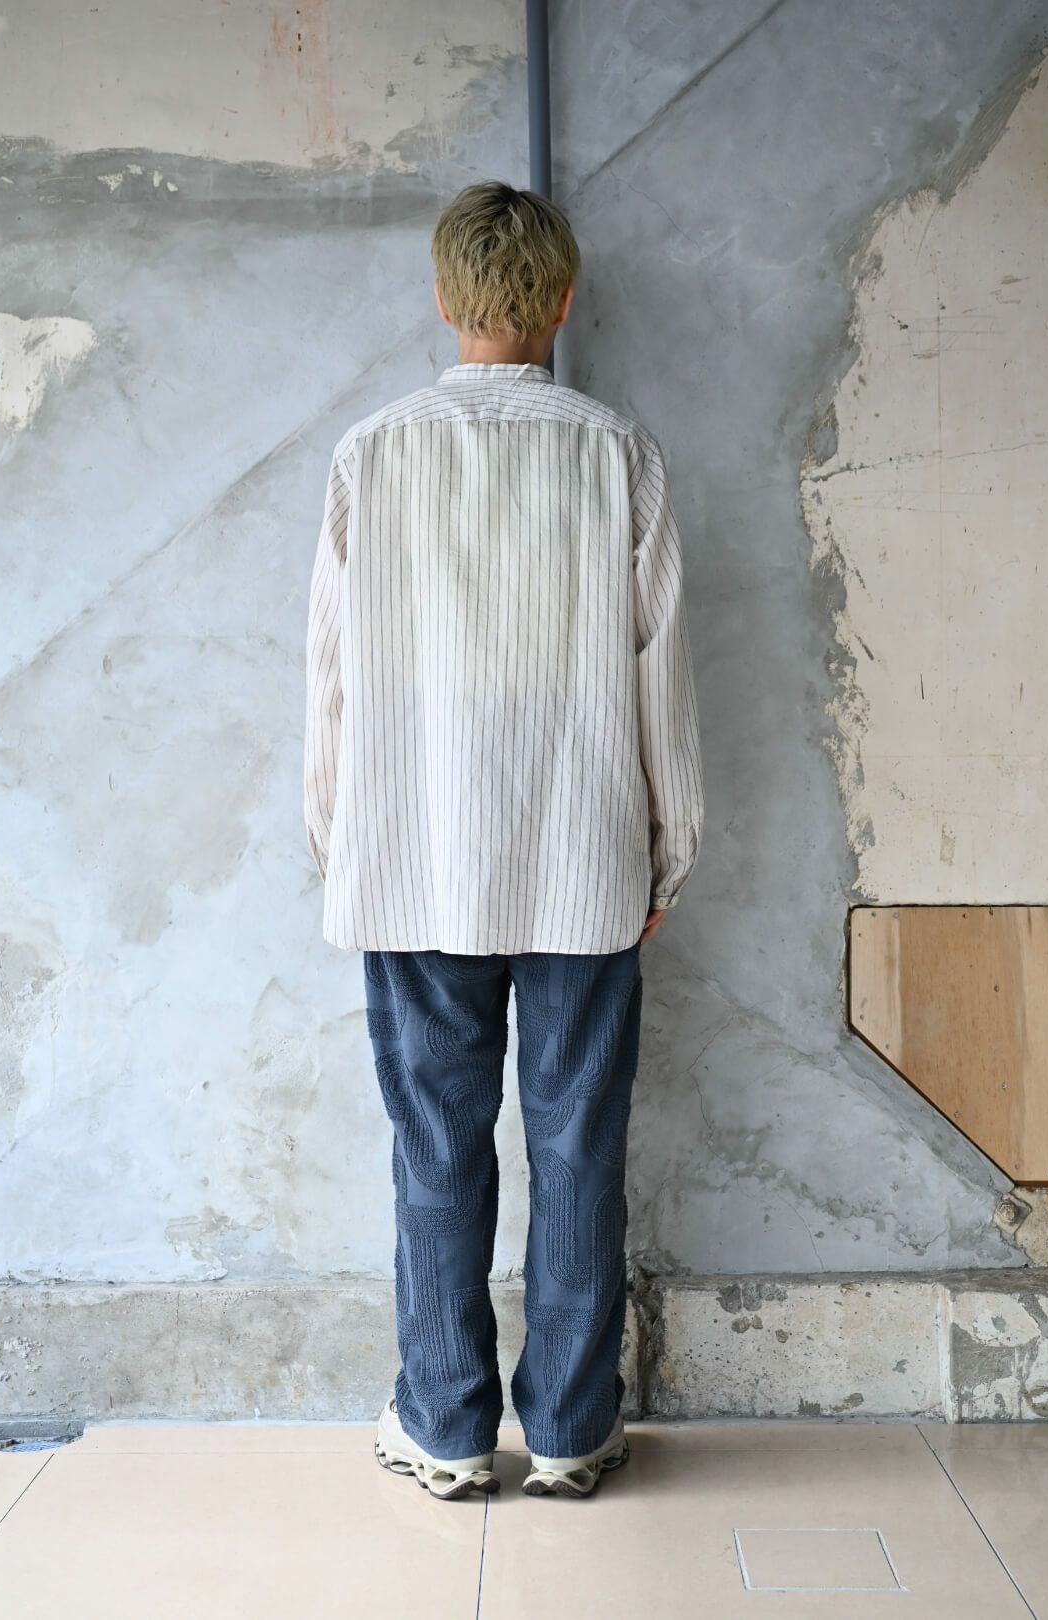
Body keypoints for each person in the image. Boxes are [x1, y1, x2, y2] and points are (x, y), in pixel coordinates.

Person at [303, 180, 704, 1500]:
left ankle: (446, 1425)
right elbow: (661, 672)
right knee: (579, 1145)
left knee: (436, 1143)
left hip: (415, 856)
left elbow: (332, 676)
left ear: (443, 298)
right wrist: (669, 847)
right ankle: (575, 1429)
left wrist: (341, 838)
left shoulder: (372, 453)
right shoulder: (618, 452)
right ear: (563, 302)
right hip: (586, 854)